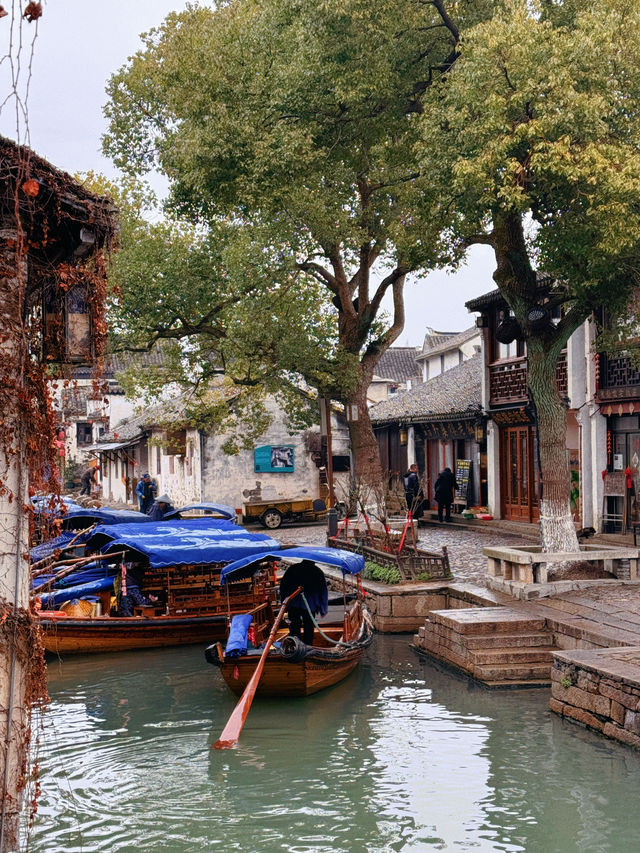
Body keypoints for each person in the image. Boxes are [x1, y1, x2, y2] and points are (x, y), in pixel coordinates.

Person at [279, 559, 328, 646]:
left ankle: (294, 646)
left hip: (294, 602)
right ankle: (308, 646)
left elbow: (283, 586)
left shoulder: (293, 568)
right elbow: (323, 590)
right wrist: (323, 609)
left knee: (294, 625)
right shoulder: (317, 571)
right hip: (309, 604)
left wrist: (283, 602)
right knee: (308, 626)